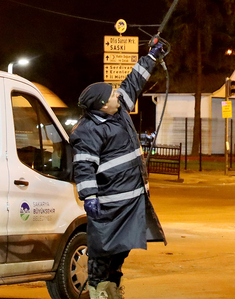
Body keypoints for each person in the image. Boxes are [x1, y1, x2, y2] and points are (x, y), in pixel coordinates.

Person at [70, 40, 168, 299]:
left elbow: (133, 81)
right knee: (103, 251)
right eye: (112, 94)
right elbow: (83, 166)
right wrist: (89, 197)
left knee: (121, 250)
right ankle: (99, 291)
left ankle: (112, 289)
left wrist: (151, 56)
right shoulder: (88, 130)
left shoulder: (119, 108)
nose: (118, 94)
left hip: (131, 199)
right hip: (110, 205)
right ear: (102, 105)